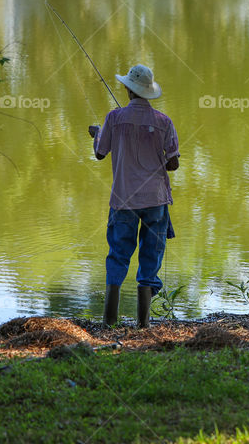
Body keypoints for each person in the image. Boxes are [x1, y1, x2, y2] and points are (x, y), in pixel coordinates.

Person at [88, 64, 179, 328]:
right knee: (151, 255)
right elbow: (173, 164)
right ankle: (143, 323)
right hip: (156, 200)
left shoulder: (114, 118)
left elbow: (100, 153)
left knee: (118, 253)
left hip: (124, 199)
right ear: (148, 92)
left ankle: (109, 321)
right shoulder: (164, 122)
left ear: (128, 89)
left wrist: (97, 135)